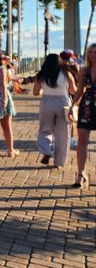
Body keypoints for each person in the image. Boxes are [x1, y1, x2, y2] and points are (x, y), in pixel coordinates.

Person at [32, 53, 75, 168]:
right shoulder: (66, 73)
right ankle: (59, 162)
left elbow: (35, 92)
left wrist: (44, 90)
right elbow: (73, 90)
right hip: (63, 103)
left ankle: (46, 150)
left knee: (45, 130)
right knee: (63, 134)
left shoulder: (41, 74)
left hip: (47, 103)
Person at [69, 43, 96, 189]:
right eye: (90, 52)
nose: (93, 55)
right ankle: (81, 174)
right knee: (82, 141)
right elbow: (80, 90)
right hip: (87, 106)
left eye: (95, 52)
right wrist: (72, 105)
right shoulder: (84, 71)